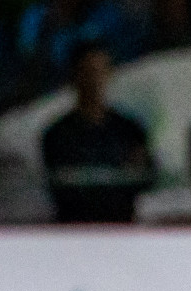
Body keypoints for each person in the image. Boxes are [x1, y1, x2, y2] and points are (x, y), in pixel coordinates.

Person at [42, 41, 155, 223]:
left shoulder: (129, 129)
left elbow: (147, 178)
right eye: (87, 73)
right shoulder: (57, 134)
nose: (94, 81)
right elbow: (60, 187)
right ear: (74, 77)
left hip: (119, 226)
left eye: (100, 72)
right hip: (74, 230)